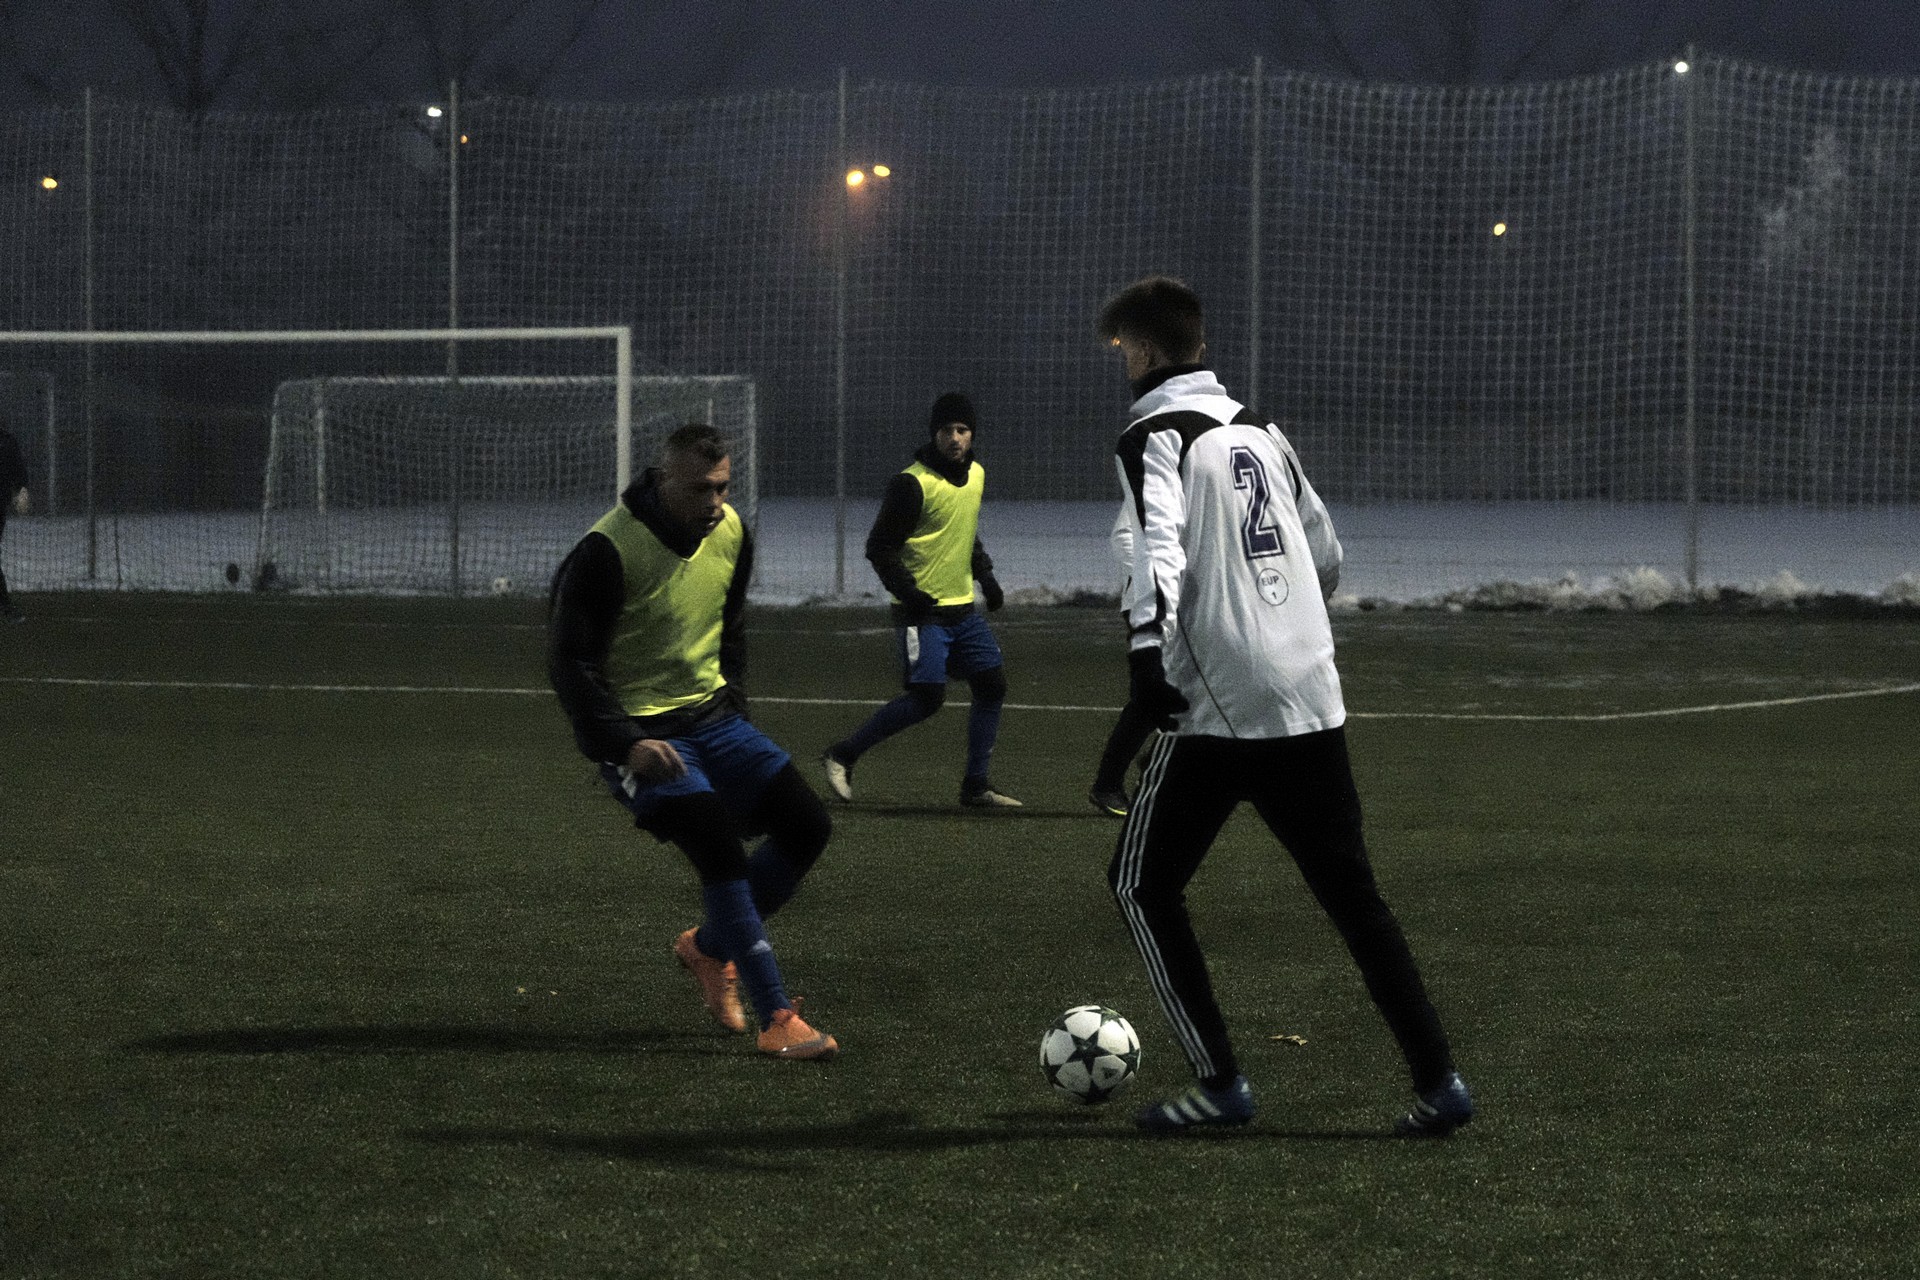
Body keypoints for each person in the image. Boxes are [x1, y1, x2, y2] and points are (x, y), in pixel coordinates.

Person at [1097, 276, 1472, 1136]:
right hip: (1312, 695)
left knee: (1139, 884)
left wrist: (1146, 652)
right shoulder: (1263, 430)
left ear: (1145, 350)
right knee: (1355, 899)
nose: (1123, 362)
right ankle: (1439, 1081)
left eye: (1123, 348)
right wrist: (1284, 619)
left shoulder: (1152, 435)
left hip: (1224, 706)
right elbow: (1325, 551)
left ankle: (1220, 1083)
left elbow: (1157, 549)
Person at [547, 423, 838, 1060]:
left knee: (807, 825)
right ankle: (777, 1016)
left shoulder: (732, 532)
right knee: (715, 842)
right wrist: (625, 744)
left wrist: (735, 709)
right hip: (642, 732)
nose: (714, 502)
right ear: (662, 481)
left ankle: (707, 948)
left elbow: (728, 630)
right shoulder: (605, 551)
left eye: (723, 487)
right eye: (699, 489)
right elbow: (570, 664)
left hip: (714, 719)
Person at [820, 391, 1021, 809]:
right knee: (927, 698)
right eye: (946, 430)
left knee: (992, 686)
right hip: (921, 614)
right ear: (934, 434)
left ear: (972, 434)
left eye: (962, 430)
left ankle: (975, 786)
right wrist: (909, 593)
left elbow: (964, 531)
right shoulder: (911, 484)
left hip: (962, 610)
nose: (954, 438)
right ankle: (843, 754)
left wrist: (986, 577)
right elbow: (879, 547)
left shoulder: (977, 475)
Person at [1088, 501, 1157, 817]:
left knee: (1206, 690)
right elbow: (1123, 536)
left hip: (1194, 606)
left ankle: (1158, 764)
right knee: (1149, 698)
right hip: (1150, 605)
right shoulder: (1157, 479)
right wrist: (1160, 581)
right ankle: (1108, 785)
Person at [0, 422, 28, 624]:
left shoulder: (6, 441)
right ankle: (6, 606)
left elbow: (19, 471)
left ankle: (6, 606)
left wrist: (22, 489)